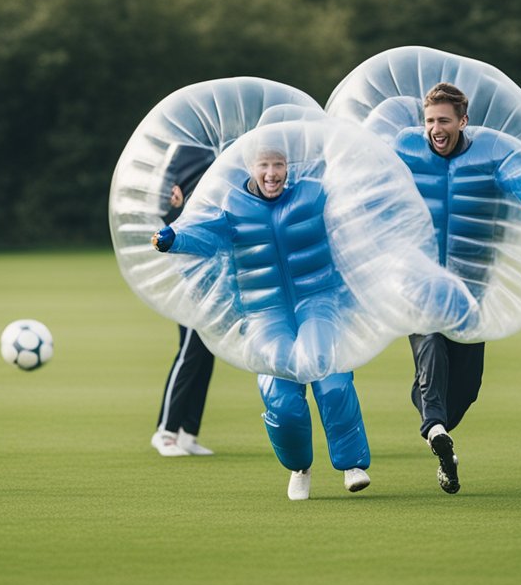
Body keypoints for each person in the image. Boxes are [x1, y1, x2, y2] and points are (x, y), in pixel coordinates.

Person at [152, 144, 371, 500]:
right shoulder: (234, 206)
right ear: (251, 168)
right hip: (266, 312)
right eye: (265, 165)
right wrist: (174, 239)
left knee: (330, 376)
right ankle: (300, 468)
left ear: (289, 167)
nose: (272, 173)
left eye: (279, 165)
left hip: (319, 301)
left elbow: (349, 214)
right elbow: (205, 234)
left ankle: (352, 464)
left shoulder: (313, 195)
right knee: (281, 397)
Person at [393, 83, 521, 493]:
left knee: (465, 388)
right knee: (429, 346)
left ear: (462, 121)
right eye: (430, 120)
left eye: (443, 120)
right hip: (421, 281)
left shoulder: (493, 150)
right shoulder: (404, 148)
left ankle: (441, 432)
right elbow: (366, 174)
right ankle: (433, 429)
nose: (435, 128)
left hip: (471, 291)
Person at [151, 144, 218, 457]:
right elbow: (171, 221)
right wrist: (173, 208)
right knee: (190, 353)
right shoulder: (187, 153)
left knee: (205, 354)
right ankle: (165, 431)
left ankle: (188, 433)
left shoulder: (218, 155)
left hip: (216, 281)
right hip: (192, 282)